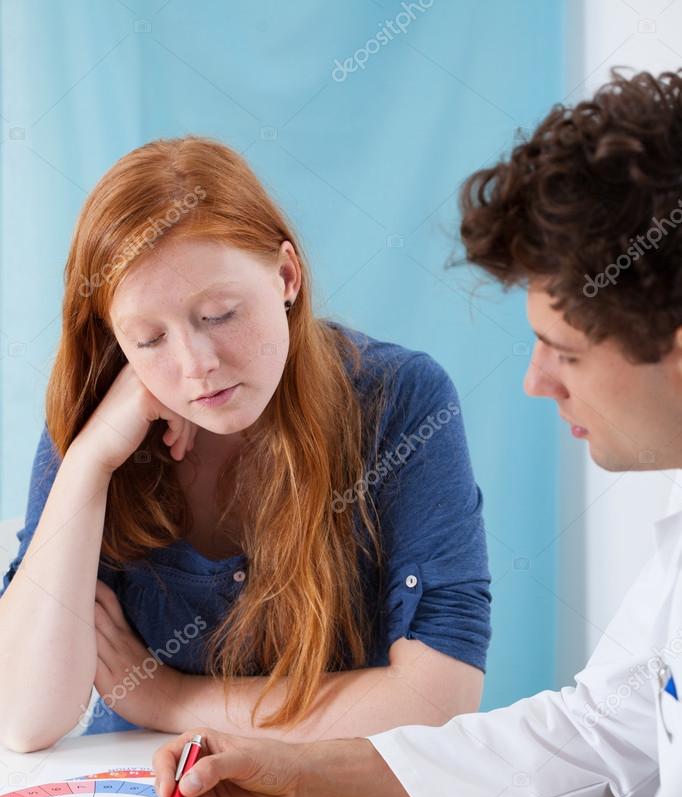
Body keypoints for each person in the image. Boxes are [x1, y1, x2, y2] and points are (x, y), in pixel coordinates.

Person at [153, 69, 682, 797]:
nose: (536, 382)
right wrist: (300, 772)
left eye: (563, 350)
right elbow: (605, 730)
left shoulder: (398, 395)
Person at [0, 137, 491, 752]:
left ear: (286, 276)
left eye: (219, 315)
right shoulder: (98, 420)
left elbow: (435, 703)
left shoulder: (401, 400)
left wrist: (170, 699)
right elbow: (22, 717)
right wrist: (91, 460)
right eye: (149, 339)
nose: (195, 365)